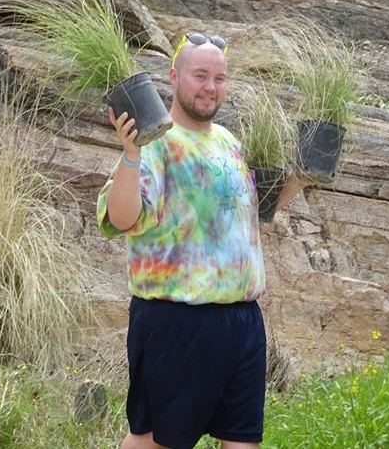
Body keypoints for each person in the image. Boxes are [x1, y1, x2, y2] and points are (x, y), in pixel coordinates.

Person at [97, 32, 310, 449]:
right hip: (177, 319)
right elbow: (122, 218)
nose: (210, 87)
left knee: (242, 440)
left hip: (242, 321)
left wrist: (301, 176)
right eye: (200, 76)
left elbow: (258, 209)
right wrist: (129, 152)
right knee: (154, 441)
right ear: (174, 77)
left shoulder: (229, 143)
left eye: (220, 78)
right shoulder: (156, 142)